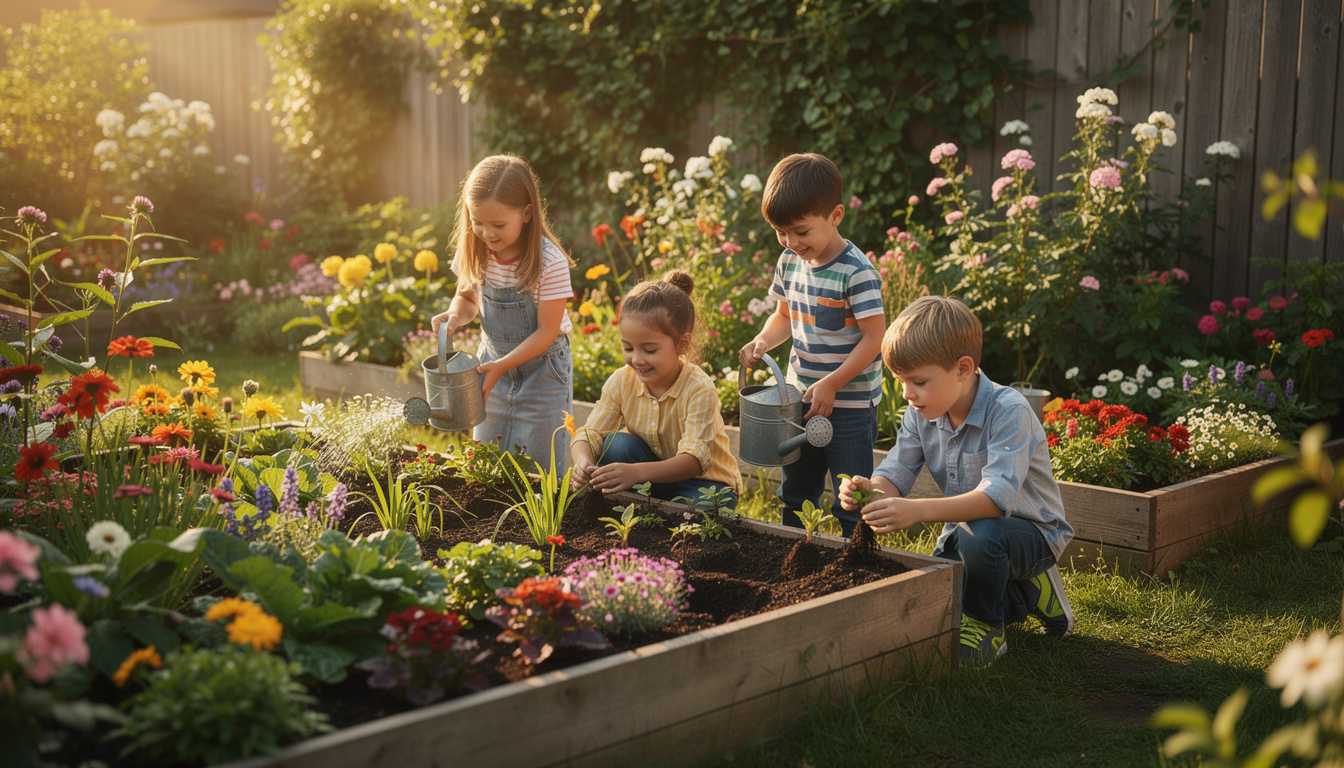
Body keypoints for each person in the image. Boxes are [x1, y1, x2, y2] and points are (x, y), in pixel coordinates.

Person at [838, 295, 1076, 665]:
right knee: (945, 593)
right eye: (900, 382)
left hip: (1032, 533)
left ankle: (987, 626)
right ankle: (1031, 592)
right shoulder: (920, 413)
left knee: (981, 543)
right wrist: (870, 490)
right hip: (966, 532)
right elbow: (895, 471)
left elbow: (995, 500)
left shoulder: (1009, 411)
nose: (907, 393)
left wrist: (916, 511)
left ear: (963, 369)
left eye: (918, 381)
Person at [738, 152, 885, 537]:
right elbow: (784, 316)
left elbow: (875, 337)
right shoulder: (789, 262)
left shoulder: (857, 272)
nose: (791, 242)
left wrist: (834, 383)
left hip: (849, 406)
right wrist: (762, 341)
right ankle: (795, 550)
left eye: (801, 232)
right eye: (781, 232)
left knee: (851, 499)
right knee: (796, 491)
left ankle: (857, 563)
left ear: (835, 216)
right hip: (799, 401)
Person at [431, 154, 575, 469]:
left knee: (540, 466)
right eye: (477, 222)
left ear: (526, 213)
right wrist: (455, 315)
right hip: (492, 367)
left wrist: (500, 366)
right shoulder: (476, 249)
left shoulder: (549, 262)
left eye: (498, 225)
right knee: (486, 460)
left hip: (543, 374)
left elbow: (546, 332)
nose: (487, 233)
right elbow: (467, 299)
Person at [571, 270, 741, 511]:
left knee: (691, 516)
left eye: (649, 350)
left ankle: (664, 507)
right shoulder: (622, 380)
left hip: (704, 483)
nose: (637, 359)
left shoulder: (699, 388)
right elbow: (591, 433)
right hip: (649, 475)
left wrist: (636, 473)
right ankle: (646, 505)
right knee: (615, 445)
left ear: (682, 343)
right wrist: (583, 461)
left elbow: (693, 462)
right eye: (628, 347)